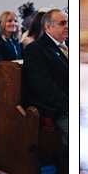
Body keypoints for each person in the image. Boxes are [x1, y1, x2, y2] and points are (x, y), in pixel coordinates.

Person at [22, 9, 69, 146]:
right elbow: (44, 86)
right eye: (62, 23)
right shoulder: (36, 49)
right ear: (48, 27)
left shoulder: (69, 46)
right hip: (54, 107)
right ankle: (62, 165)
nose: (67, 26)